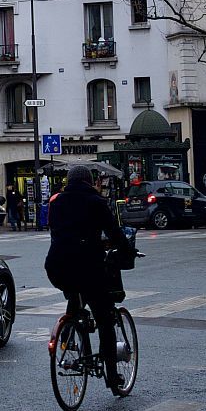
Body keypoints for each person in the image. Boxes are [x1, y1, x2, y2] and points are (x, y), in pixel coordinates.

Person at [46, 164, 133, 393]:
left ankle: (70, 328)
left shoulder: (56, 202)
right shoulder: (96, 202)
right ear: (90, 181)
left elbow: (58, 232)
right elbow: (114, 232)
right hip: (87, 266)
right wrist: (125, 250)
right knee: (104, 319)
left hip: (56, 267)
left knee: (75, 294)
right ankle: (113, 379)